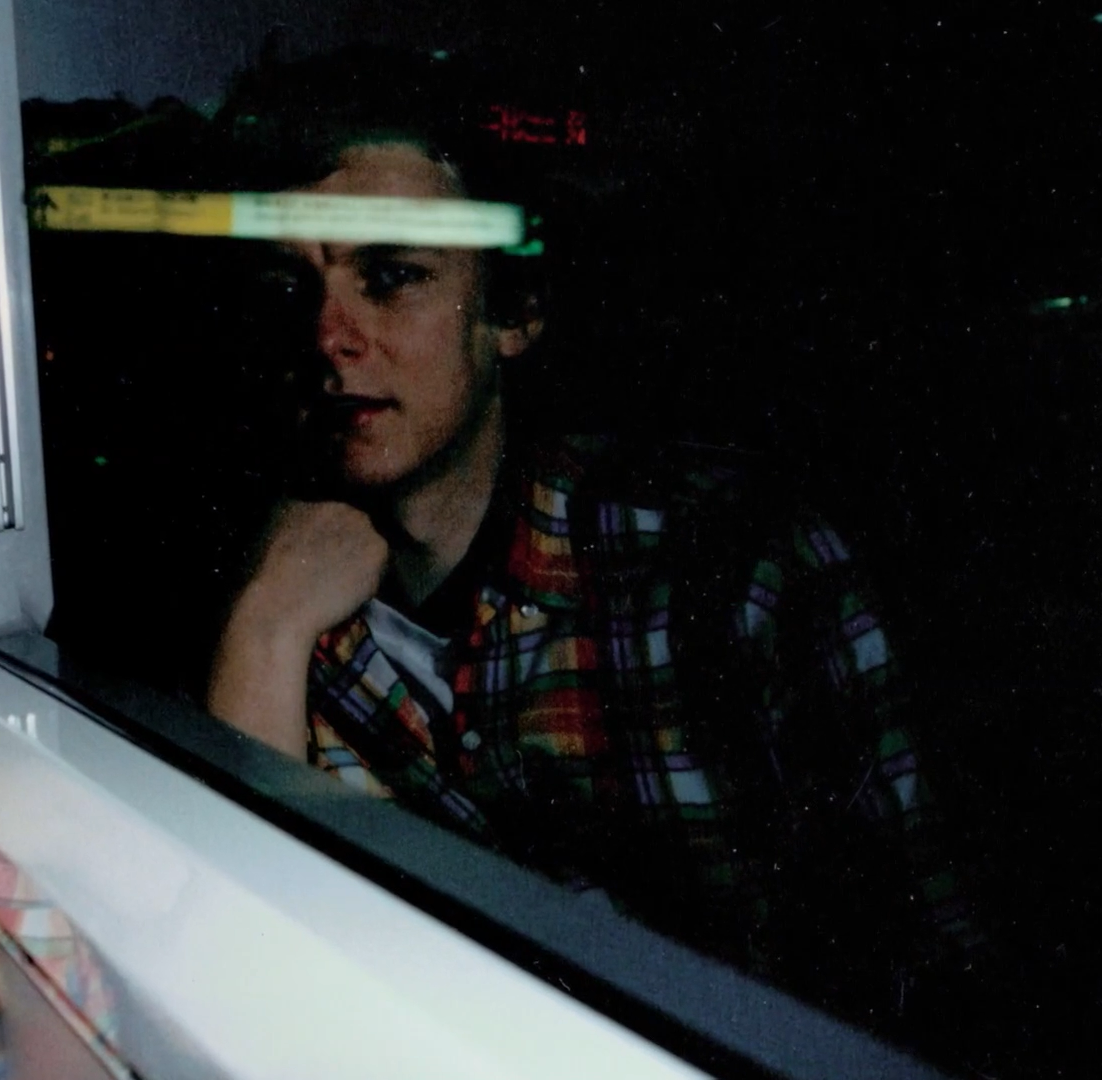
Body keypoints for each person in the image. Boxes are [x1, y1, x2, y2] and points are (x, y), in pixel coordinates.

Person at [204, 48, 979, 1019]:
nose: (330, 336)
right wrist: (263, 631)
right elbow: (246, 978)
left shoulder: (729, 567)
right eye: (291, 288)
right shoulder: (285, 604)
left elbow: (928, 968)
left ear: (512, 312)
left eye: (392, 276)